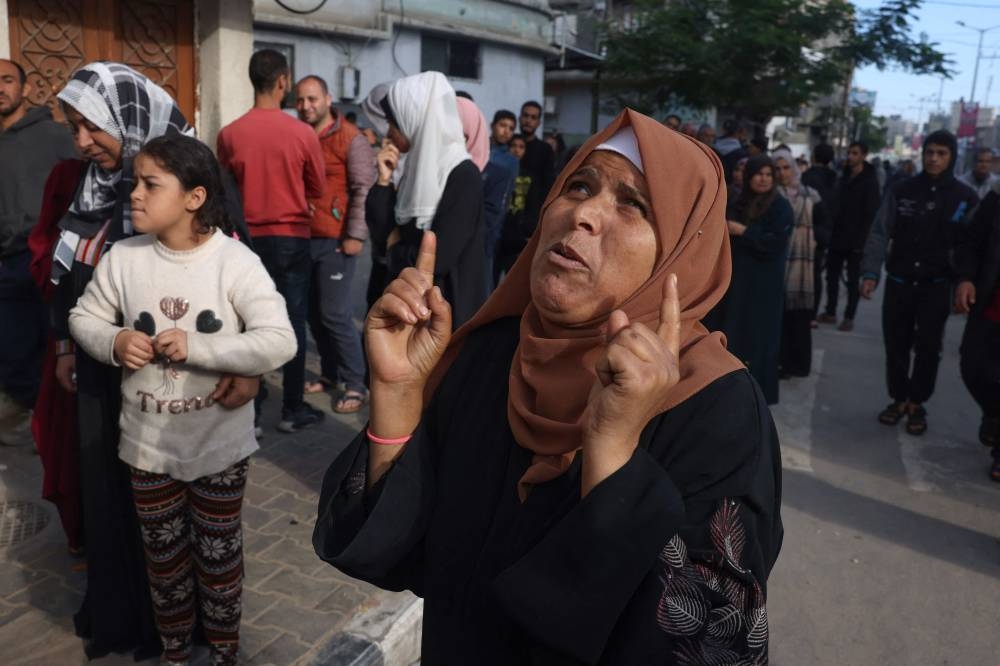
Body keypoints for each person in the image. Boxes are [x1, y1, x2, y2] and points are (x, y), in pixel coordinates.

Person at [314, 110, 782, 664]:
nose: (583, 212)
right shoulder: (494, 352)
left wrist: (613, 458)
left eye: (634, 204)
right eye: (578, 185)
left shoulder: (715, 409)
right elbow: (407, 556)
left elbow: (701, 644)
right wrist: (396, 399)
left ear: (681, 253)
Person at [42, 61, 252, 661]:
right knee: (113, 497)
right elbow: (66, 279)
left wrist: (246, 364)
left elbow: (239, 275)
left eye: (92, 128)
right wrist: (65, 345)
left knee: (199, 528)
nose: (82, 143)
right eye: (75, 128)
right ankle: (137, 623)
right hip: (100, 373)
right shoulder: (82, 182)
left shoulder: (186, 174)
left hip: (178, 383)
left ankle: (209, 635)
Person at [69, 134, 296, 665]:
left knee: (218, 557)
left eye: (152, 184)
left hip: (219, 446)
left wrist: (204, 348)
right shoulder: (124, 259)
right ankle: (174, 649)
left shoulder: (233, 262)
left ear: (194, 197)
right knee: (164, 560)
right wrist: (116, 340)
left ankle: (222, 650)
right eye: (136, 183)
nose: (136, 196)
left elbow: (279, 338)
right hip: (147, 450)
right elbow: (84, 317)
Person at [217, 49, 326, 434]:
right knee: (293, 321)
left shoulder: (230, 134)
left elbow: (225, 191)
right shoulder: (302, 133)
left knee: (250, 322)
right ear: (283, 81)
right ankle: (292, 407)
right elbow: (318, 187)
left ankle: (254, 410)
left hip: (247, 240)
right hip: (293, 237)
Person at [860, 130, 979, 435]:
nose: (934, 159)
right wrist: (871, 273)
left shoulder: (965, 198)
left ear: (952, 157)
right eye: (930, 152)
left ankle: (917, 402)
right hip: (900, 281)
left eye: (941, 153)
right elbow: (879, 232)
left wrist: (965, 281)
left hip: (936, 286)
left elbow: (972, 246)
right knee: (895, 343)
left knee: (928, 348)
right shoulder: (902, 190)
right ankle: (898, 398)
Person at [364, 72, 486, 328]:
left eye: (392, 123)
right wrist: (383, 181)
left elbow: (439, 258)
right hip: (408, 306)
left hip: (444, 313)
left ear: (414, 119)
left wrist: (395, 249)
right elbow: (382, 232)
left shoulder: (463, 175)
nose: (388, 131)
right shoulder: (416, 169)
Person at [295, 75, 376, 413]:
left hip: (336, 240)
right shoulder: (297, 135)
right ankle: (329, 375)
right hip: (302, 236)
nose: (306, 106)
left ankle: (356, 384)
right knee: (314, 314)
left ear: (328, 99)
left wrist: (355, 234)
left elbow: (363, 188)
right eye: (300, 100)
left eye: (312, 99)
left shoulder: (351, 139)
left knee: (336, 315)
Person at [0, 59, 76, 419]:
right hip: (9, 264)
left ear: (26, 89)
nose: (0, 88)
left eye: (7, 80)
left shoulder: (58, 138)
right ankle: (31, 415)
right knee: (13, 349)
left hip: (54, 258)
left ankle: (56, 419)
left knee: (60, 343)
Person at [711, 156, 794, 404]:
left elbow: (775, 242)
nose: (763, 179)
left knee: (759, 337)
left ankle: (755, 395)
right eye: (759, 174)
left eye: (769, 175)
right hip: (736, 282)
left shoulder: (780, 207)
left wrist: (745, 232)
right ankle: (727, 390)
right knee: (732, 329)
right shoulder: (737, 201)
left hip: (763, 285)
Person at [954, 180, 1000, 481]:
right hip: (990, 303)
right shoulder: (996, 200)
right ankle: (995, 411)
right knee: (972, 366)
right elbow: (972, 241)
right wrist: (967, 278)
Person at [819, 141, 880, 332]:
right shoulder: (843, 176)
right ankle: (830, 311)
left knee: (853, 280)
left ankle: (849, 316)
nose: (850, 156)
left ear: (863, 155)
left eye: (855, 153)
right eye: (849, 153)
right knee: (832, 276)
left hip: (856, 240)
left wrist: (862, 242)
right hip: (838, 235)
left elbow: (871, 215)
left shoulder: (870, 180)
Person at [773, 149, 822, 377]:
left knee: (800, 317)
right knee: (779, 318)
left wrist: (814, 242)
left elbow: (824, 225)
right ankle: (780, 363)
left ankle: (799, 364)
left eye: (786, 167)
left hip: (803, 267)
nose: (782, 172)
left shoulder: (811, 195)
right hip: (778, 262)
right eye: (777, 168)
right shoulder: (770, 196)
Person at [801, 143, 838, 320]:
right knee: (817, 274)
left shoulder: (807, 177)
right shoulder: (836, 178)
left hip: (808, 229)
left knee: (808, 273)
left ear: (814, 157)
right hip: (827, 230)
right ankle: (813, 314)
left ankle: (805, 313)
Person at [484, 110, 519, 288]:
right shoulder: (479, 149)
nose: (506, 131)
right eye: (502, 125)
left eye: (511, 128)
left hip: (495, 223)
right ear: (493, 125)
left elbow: (507, 195)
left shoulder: (511, 161)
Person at [518, 100, 556, 234]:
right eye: (526, 116)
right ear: (520, 118)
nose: (528, 120)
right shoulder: (509, 146)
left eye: (533, 117)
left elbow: (548, 185)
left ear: (539, 122)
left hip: (531, 218)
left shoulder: (545, 150)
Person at [714, 119, 749, 183]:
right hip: (731, 188)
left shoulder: (711, 149)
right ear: (737, 133)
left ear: (723, 130)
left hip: (712, 184)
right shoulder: (742, 153)